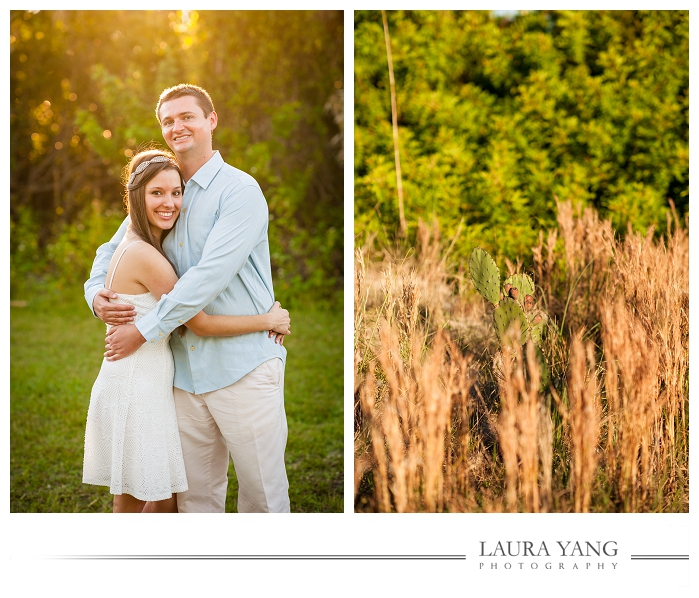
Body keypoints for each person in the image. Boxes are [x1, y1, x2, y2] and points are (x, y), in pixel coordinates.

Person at [84, 84, 291, 513]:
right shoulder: (164, 188)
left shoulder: (239, 191)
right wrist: (95, 294)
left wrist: (143, 329)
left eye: (187, 117)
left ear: (211, 120)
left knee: (262, 499)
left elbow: (207, 278)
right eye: (168, 121)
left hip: (243, 366)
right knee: (194, 503)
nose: (177, 126)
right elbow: (113, 249)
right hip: (182, 376)